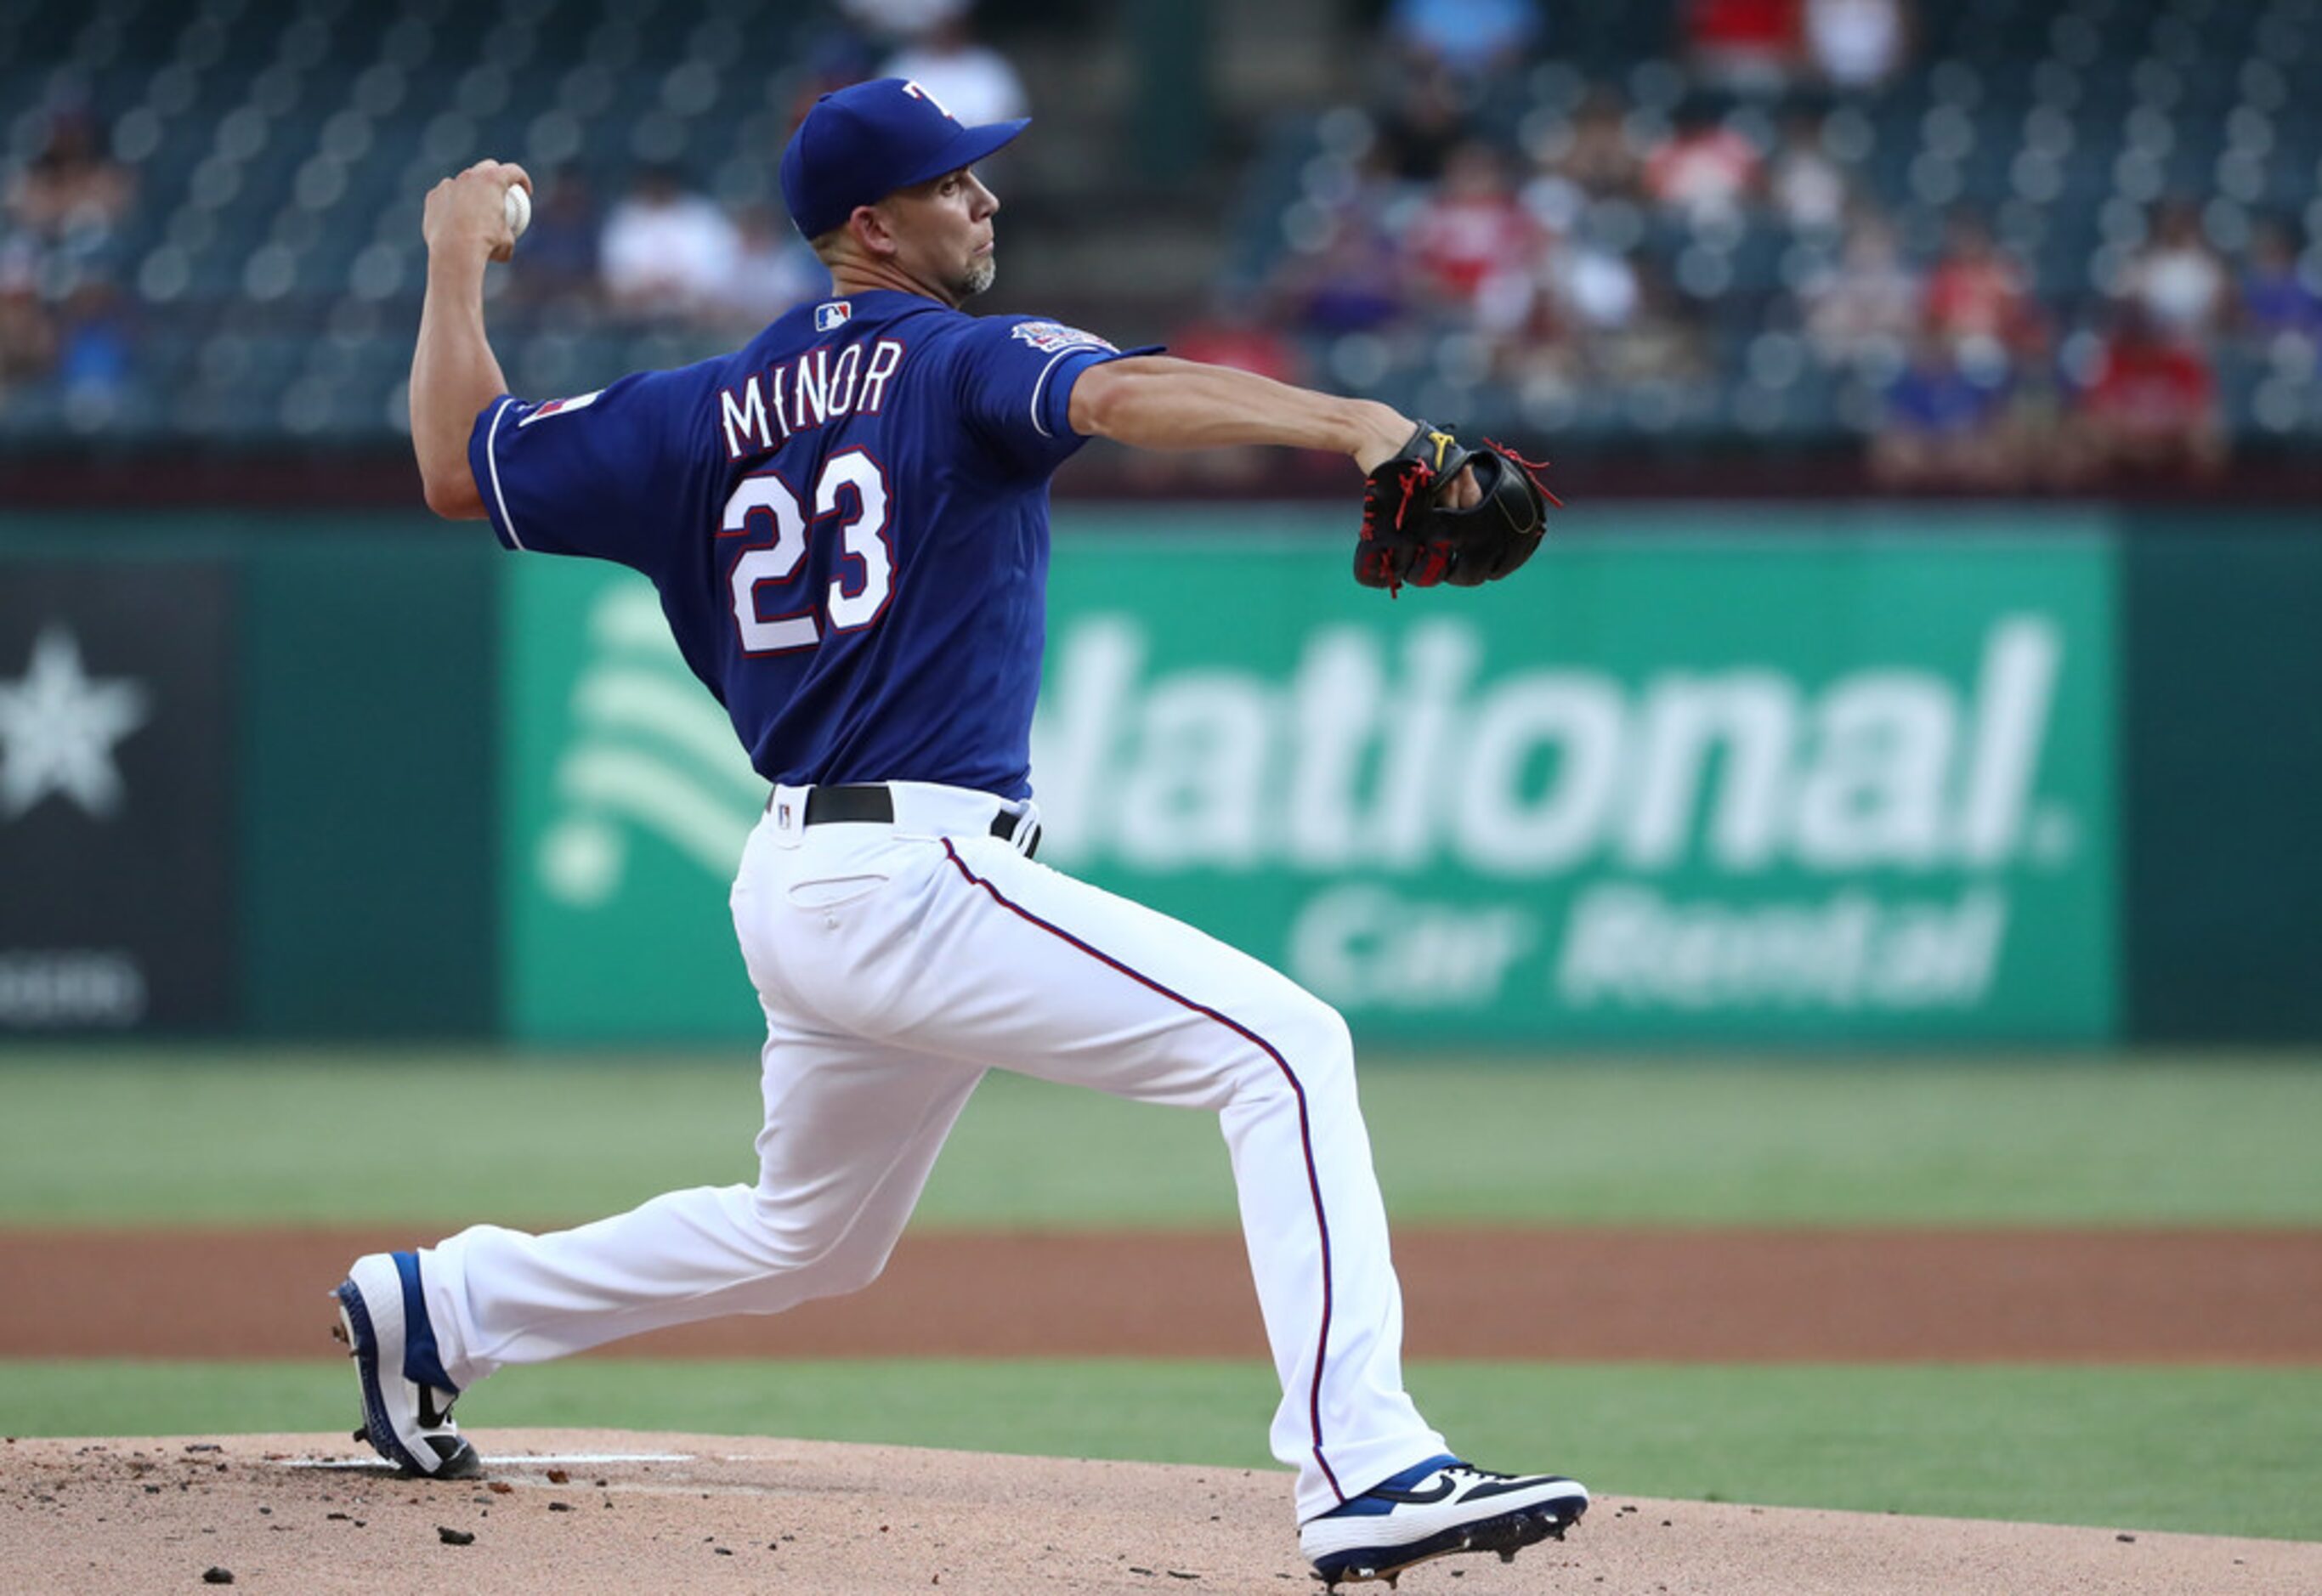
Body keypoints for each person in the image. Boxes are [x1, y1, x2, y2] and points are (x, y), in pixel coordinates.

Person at [340, 76, 1589, 1588]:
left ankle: (447, 1306)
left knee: (812, 1237)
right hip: (914, 872)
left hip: (804, 876)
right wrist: (1363, 424)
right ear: (872, 225)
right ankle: (1367, 1464)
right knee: (1286, 1047)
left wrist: (456, 252)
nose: (985, 199)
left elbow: (451, 458)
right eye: (954, 183)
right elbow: (1122, 394)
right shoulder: (959, 362)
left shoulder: (688, 413)